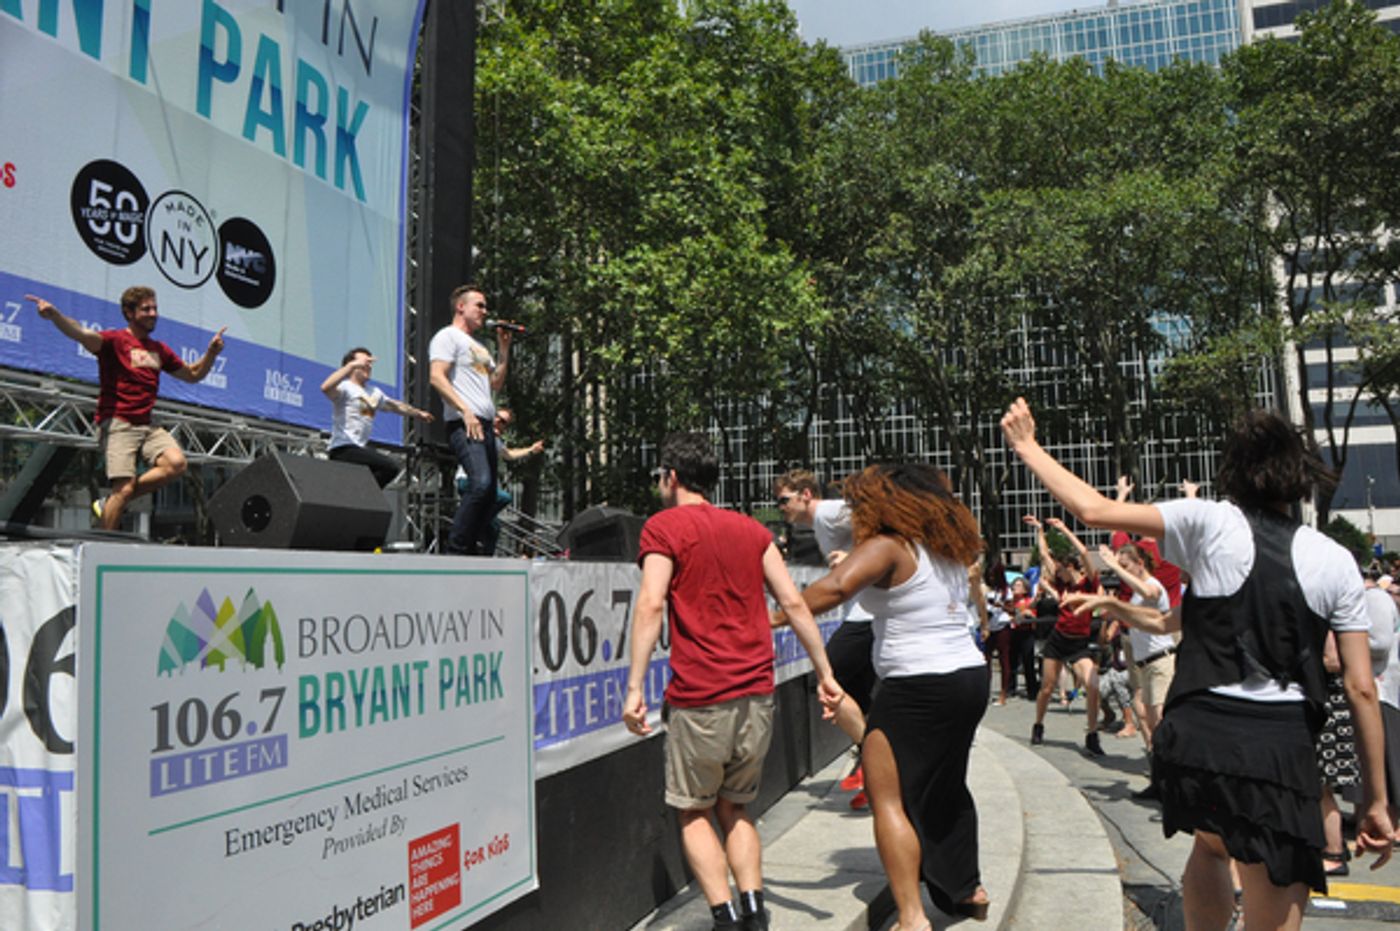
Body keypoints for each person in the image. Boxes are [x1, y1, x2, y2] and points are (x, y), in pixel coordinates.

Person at [1001, 398, 1393, 931]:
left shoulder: (1207, 521)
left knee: (1212, 847)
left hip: (1198, 733)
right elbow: (1360, 687)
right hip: (1275, 745)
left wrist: (1027, 446)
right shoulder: (1335, 560)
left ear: (1233, 471)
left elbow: (1094, 511)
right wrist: (1376, 799)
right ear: (1301, 477)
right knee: (1277, 875)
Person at [622, 433, 842, 931]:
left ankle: (724, 917)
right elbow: (794, 603)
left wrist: (635, 686)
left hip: (701, 696)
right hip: (757, 695)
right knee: (737, 807)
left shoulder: (663, 528)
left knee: (693, 811)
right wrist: (826, 674)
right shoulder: (751, 530)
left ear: (672, 477)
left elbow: (651, 602)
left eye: (661, 476)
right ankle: (756, 912)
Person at [780, 463, 991, 931]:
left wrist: (774, 617)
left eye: (862, 503)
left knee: (888, 798)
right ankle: (966, 888)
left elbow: (834, 589)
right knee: (946, 784)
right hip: (968, 677)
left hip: (918, 684)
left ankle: (912, 918)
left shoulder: (888, 545)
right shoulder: (945, 548)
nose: (856, 513)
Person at [24, 289, 224, 530]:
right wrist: (56, 316)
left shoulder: (158, 349)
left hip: (147, 425)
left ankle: (110, 501)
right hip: (118, 423)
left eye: (155, 308)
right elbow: (81, 333)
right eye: (146, 309)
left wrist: (211, 353)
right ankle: (103, 541)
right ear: (129, 313)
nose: (153, 313)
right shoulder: (114, 341)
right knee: (125, 488)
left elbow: (193, 375)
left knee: (176, 464)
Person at [773, 469, 874, 803]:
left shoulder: (828, 513)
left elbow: (882, 520)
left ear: (805, 495)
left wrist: (855, 557)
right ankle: (876, 774)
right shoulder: (820, 523)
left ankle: (872, 760)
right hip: (864, 615)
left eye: (784, 500)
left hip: (865, 618)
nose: (780, 508)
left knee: (830, 682)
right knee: (859, 697)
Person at [428, 285, 512, 554]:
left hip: (485, 424)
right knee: (480, 483)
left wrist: (503, 348)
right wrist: (464, 410)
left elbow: (496, 383)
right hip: (465, 421)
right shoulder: (447, 336)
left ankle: (472, 551)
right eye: (480, 305)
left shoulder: (480, 347)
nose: (485, 312)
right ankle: (455, 551)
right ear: (460, 307)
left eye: (485, 306)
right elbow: (436, 376)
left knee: (488, 496)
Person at [1024, 514, 1106, 756]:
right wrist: (1040, 530)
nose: (1056, 575)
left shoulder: (1088, 582)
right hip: (1059, 640)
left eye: (1060, 572)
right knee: (1047, 688)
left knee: (1092, 684)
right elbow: (1044, 556)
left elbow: (1083, 551)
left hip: (1079, 643)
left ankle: (1092, 734)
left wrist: (1064, 529)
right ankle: (1038, 724)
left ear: (1070, 568)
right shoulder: (1061, 585)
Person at [321, 348, 433, 487]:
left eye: (370, 364)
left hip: (359, 449)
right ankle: (364, 496)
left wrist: (417, 413)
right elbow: (325, 387)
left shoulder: (373, 392)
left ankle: (362, 497)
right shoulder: (346, 387)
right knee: (390, 467)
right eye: (364, 363)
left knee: (384, 471)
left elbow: (394, 406)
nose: (368, 366)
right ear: (351, 365)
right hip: (343, 448)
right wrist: (352, 365)